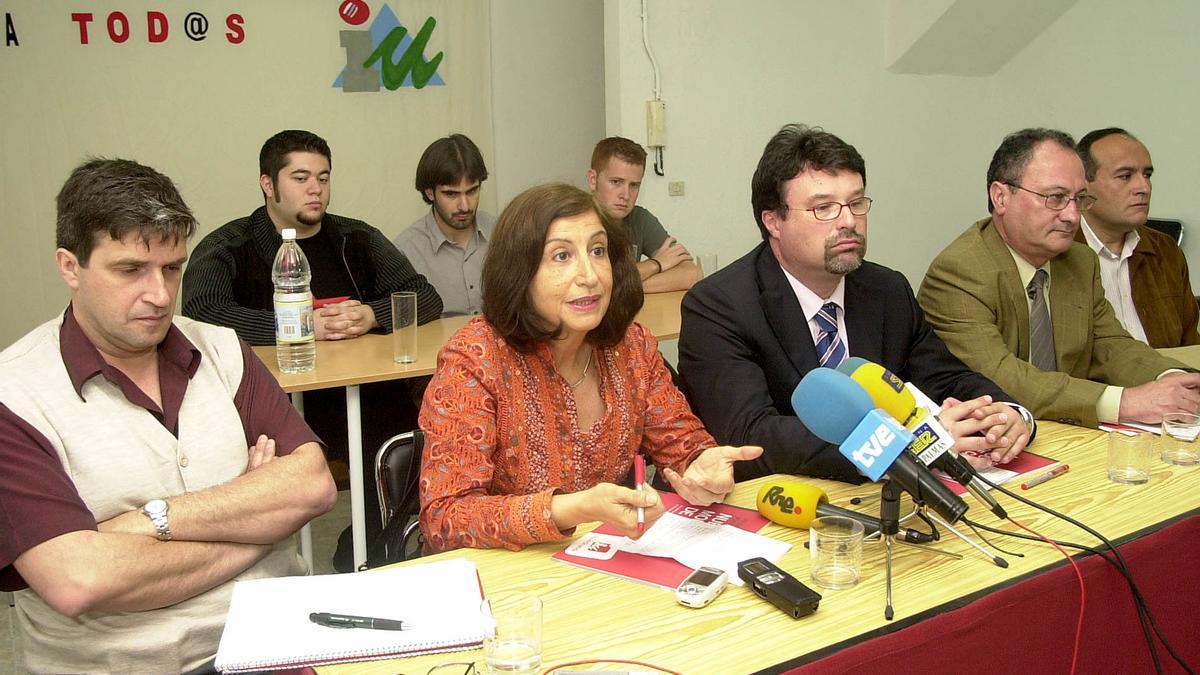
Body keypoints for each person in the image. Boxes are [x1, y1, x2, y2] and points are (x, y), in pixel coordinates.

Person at [0, 158, 337, 673]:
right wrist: (258, 524)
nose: (160, 295)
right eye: (131, 270)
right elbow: (78, 579)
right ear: (70, 266)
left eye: (172, 268)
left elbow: (312, 485)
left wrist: (146, 524)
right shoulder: (15, 395)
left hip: (282, 645)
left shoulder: (222, 350)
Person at [678, 124, 1032, 483]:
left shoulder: (886, 289)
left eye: (856, 203)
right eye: (823, 208)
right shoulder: (719, 305)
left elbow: (944, 377)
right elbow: (751, 435)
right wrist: (906, 447)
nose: (849, 222)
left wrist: (1008, 415)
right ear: (774, 221)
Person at [418, 183, 762, 553]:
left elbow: (682, 444)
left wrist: (702, 465)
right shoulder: (475, 358)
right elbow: (446, 519)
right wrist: (571, 509)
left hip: (604, 567)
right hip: (506, 582)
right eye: (562, 256)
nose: (591, 275)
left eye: (598, 251)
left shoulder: (632, 346)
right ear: (520, 272)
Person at [182, 129, 442, 571]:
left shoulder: (354, 238)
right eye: (300, 178)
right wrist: (297, 326)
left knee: (414, 447)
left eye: (323, 178)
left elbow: (424, 295)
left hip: (364, 396)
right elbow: (201, 314)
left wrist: (373, 314)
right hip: (275, 402)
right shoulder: (232, 246)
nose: (315, 189)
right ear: (268, 184)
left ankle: (362, 554)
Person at [918, 128, 1199, 429]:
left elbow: (1110, 344)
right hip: (996, 438)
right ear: (1000, 196)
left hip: (1070, 434)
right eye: (1055, 198)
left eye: (1079, 200)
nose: (1072, 216)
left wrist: (1174, 381)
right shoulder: (958, 271)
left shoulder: (1080, 260)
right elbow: (997, 376)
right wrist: (1127, 402)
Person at [1074, 127, 1199, 347]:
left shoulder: (1165, 250)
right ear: (1083, 186)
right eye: (1125, 176)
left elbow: (1189, 344)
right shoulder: (1058, 251)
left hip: (1170, 376)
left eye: (1147, 175)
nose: (1144, 187)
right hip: (1094, 382)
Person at [394, 133, 497, 317]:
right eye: (451, 194)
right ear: (430, 193)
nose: (464, 206)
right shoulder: (406, 251)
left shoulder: (502, 233)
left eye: (472, 191)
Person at [587, 136, 702, 292]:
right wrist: (656, 264)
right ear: (593, 180)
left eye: (634, 185)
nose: (626, 195)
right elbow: (592, 284)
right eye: (616, 182)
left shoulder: (640, 218)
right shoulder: (575, 221)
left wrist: (622, 288)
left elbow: (692, 274)